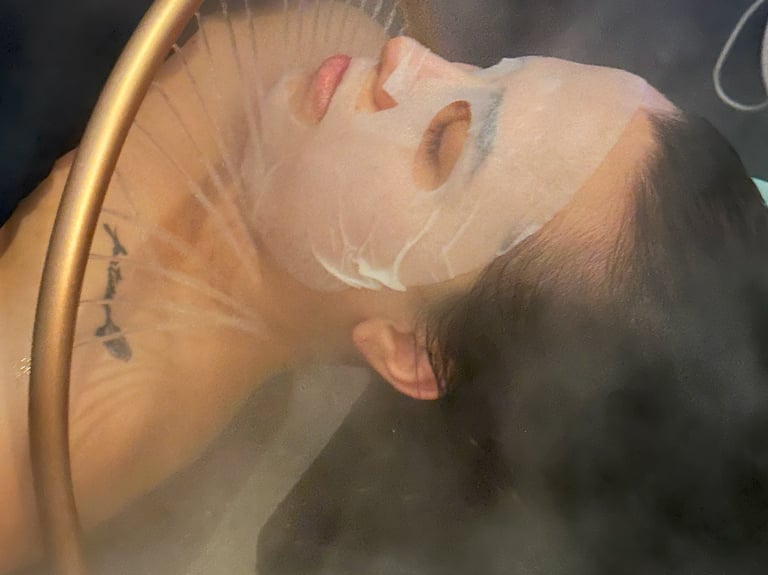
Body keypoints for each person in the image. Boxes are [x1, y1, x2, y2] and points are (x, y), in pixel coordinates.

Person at [1, 1, 767, 573]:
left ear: (407, 350)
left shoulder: (67, 427)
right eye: (489, 72)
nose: (407, 55)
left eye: (441, 143)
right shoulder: (329, 53)